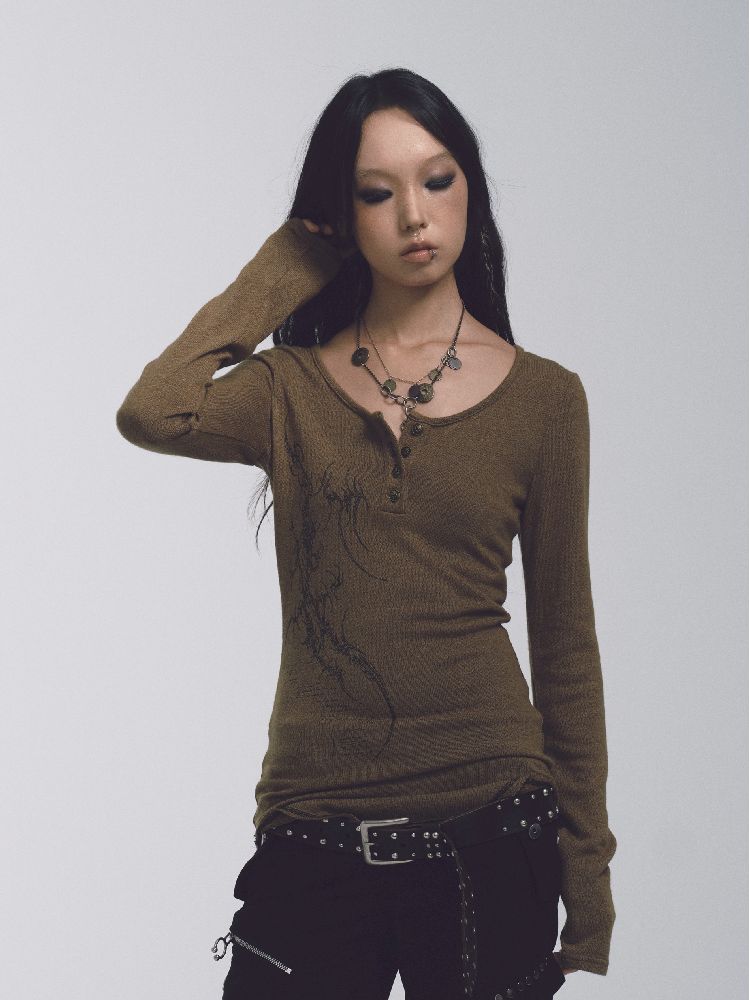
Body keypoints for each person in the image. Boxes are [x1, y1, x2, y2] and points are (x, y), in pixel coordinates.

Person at [116, 68, 616, 999]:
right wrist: (282, 271)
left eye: (437, 180)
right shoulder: (288, 390)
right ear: (341, 219)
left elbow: (566, 647)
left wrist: (587, 872)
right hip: (314, 833)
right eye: (376, 194)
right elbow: (154, 411)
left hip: (493, 831)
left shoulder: (547, 401)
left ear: (471, 188)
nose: (415, 216)